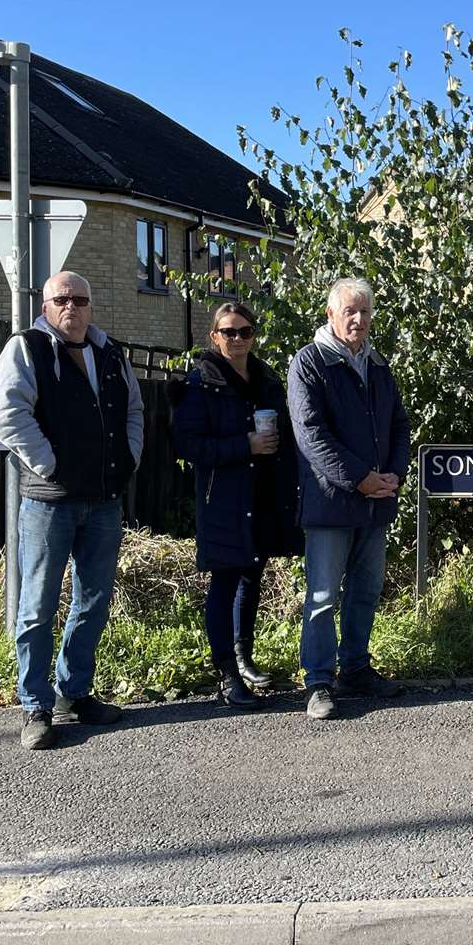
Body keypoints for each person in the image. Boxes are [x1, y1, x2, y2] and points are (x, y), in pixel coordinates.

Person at [0, 271, 143, 750]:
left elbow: (134, 410)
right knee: (36, 606)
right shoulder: (27, 348)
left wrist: (130, 459)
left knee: (93, 601)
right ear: (45, 304)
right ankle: (35, 705)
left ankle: (73, 693)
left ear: (91, 306)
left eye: (79, 299)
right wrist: (49, 463)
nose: (71, 307)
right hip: (48, 502)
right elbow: (6, 414)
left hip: (103, 502)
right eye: (61, 299)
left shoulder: (110, 353)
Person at [287, 277, 411, 719]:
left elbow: (399, 423)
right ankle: (318, 681)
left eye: (364, 311)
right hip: (331, 503)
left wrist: (394, 473)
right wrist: (360, 478)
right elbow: (311, 435)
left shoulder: (377, 364)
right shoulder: (309, 363)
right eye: (349, 312)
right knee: (322, 596)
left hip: (377, 500)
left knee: (365, 590)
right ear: (331, 315)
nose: (358, 319)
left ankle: (355, 668)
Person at [170, 302, 303, 708]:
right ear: (214, 336)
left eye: (245, 331)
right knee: (225, 581)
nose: (238, 339)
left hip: (263, 494)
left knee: (252, 578)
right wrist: (244, 445)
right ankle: (227, 673)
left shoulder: (265, 378)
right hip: (224, 499)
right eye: (229, 332)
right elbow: (187, 445)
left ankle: (244, 657)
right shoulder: (201, 382)